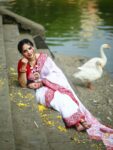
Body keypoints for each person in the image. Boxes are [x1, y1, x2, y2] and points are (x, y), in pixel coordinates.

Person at [17, 39, 113, 149]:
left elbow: (56, 74)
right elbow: (23, 84)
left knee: (63, 96)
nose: (29, 52)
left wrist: (44, 81)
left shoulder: (44, 58)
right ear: (22, 53)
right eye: (25, 51)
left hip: (51, 84)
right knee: (57, 99)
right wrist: (24, 68)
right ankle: (77, 122)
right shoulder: (22, 62)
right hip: (40, 91)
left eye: (30, 48)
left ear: (33, 47)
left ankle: (79, 120)